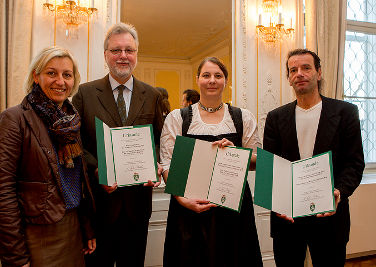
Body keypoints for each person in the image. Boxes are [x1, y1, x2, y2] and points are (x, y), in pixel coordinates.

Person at [0, 46, 96, 267]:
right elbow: (1, 193)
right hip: (37, 236)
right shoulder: (14, 119)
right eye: (51, 73)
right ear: (36, 76)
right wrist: (16, 258)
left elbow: (77, 181)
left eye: (67, 75)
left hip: (73, 231)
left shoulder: (71, 122)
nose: (60, 81)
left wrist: (86, 227)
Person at [72, 22, 164, 267]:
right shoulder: (85, 93)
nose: (123, 56)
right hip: (99, 206)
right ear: (105, 55)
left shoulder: (152, 95)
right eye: (116, 50)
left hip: (138, 206)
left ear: (136, 55)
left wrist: (154, 166)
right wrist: (96, 168)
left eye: (129, 50)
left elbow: (158, 140)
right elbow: (75, 144)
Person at [263, 48, 365, 267]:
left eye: (306, 68)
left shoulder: (346, 112)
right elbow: (269, 167)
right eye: (293, 70)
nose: (299, 73)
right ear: (289, 78)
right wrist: (276, 202)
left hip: (330, 216)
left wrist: (339, 191)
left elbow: (354, 163)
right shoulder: (275, 118)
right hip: (286, 219)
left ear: (318, 73)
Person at [160, 57, 263, 267]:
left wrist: (237, 154)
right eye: (206, 75)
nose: (212, 80)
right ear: (198, 79)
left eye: (218, 75)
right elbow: (168, 164)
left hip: (234, 209)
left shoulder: (243, 117)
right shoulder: (177, 118)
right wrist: (182, 200)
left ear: (225, 81)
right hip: (189, 208)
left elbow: (257, 160)